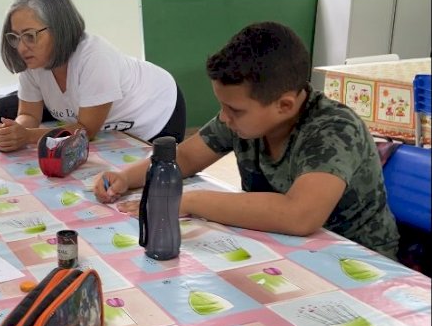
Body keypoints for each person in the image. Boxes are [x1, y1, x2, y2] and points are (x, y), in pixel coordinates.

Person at [94, 21, 400, 260]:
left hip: (358, 260)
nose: (224, 117)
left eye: (234, 109)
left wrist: (189, 201)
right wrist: (125, 177)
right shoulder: (244, 121)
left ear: (285, 105)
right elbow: (185, 158)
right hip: (285, 249)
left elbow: (299, 215)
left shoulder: (333, 129)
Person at [0, 0, 186, 153]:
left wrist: (27, 136)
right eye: (15, 37)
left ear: (60, 29)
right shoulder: (33, 63)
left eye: (30, 36)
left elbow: (86, 130)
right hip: (111, 128)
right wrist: (15, 130)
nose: (22, 47)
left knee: (149, 182)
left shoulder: (94, 57)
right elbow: (27, 113)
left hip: (157, 110)